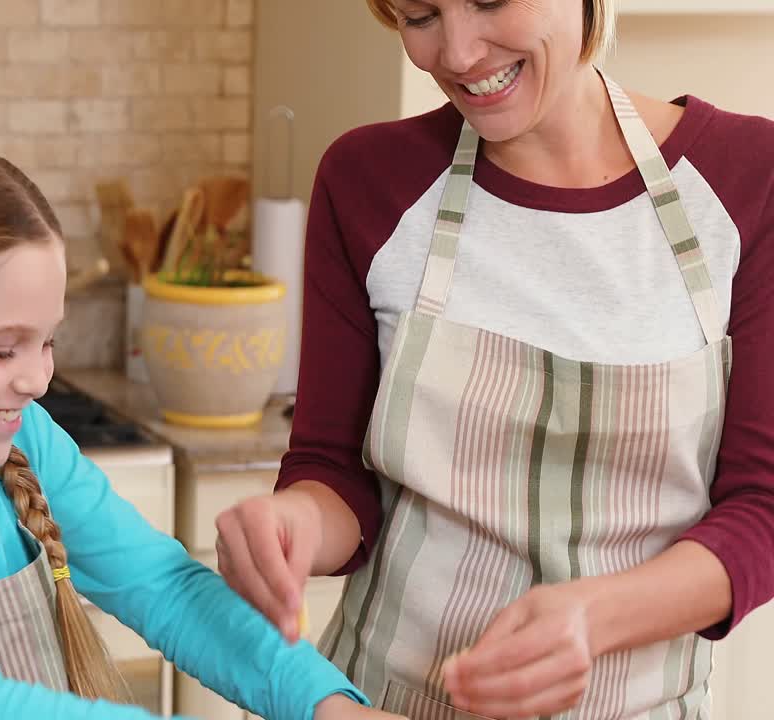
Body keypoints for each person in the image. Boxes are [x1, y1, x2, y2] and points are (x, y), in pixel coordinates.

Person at [214, 0, 774, 718]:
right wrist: (291, 524)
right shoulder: (366, 180)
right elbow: (335, 474)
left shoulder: (747, 178)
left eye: (488, 0)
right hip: (382, 702)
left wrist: (593, 618)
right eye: (420, 15)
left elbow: (761, 508)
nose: (458, 51)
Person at [0, 132, 405, 720]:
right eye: (1, 349)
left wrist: (324, 704)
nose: (37, 379)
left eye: (47, 343)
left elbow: (166, 590)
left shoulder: (25, 440)